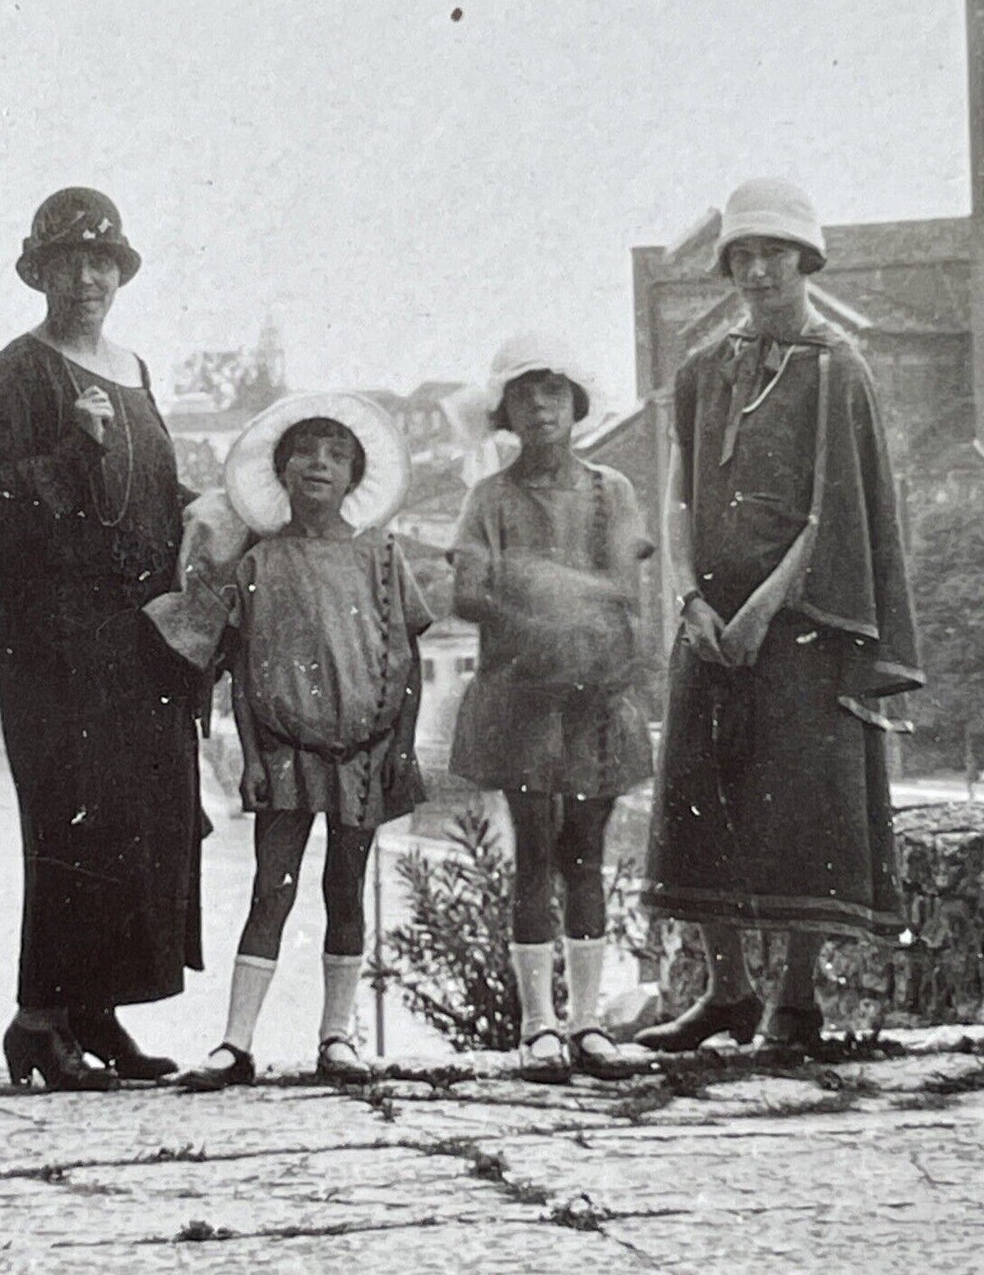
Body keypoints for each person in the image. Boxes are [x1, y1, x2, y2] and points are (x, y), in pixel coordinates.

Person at [636, 179, 923, 1054]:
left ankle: (792, 1000)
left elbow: (832, 511)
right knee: (700, 785)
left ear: (805, 260)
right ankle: (726, 990)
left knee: (797, 798)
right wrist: (686, 595)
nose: (757, 271)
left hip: (801, 621)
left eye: (774, 253)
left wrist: (763, 608)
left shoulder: (837, 367)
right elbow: (679, 491)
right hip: (707, 621)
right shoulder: (700, 367)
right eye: (742, 255)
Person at [0, 187, 203, 1089]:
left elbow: (154, 491)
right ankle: (38, 1018)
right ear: (40, 271)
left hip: (141, 633)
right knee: (73, 815)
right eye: (69, 260)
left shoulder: (132, 367)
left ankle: (93, 1006)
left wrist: (210, 526)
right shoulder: (16, 375)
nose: (88, 276)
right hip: (57, 637)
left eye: (102, 260)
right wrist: (70, 452)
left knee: (140, 819)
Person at [179, 393, 429, 1089]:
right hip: (286, 751)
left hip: (365, 751)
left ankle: (336, 1036)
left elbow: (405, 663)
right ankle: (234, 1042)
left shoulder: (382, 556)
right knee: (272, 885)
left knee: (344, 886)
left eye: (337, 453)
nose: (320, 462)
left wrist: (400, 749)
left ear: (355, 475)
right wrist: (255, 758)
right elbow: (245, 671)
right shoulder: (259, 562)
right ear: (281, 468)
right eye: (306, 450)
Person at [448, 335, 654, 1082]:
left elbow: (626, 589)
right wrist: (536, 615)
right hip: (523, 693)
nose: (539, 406)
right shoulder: (489, 497)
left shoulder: (611, 491)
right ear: (503, 412)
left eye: (553, 393)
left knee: (586, 852)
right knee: (534, 849)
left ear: (574, 406)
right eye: (523, 395)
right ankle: (538, 1024)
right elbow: (467, 591)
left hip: (595, 690)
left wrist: (542, 589)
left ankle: (588, 1022)